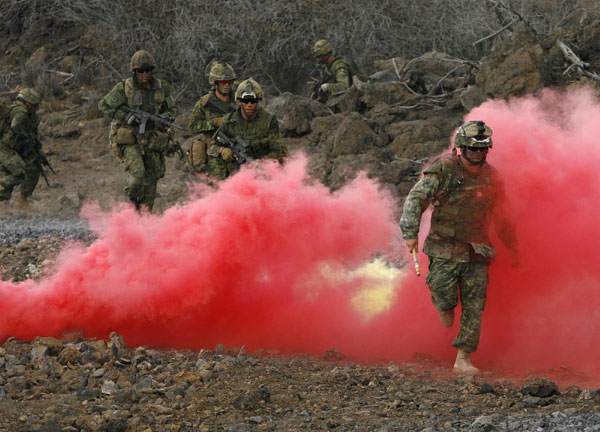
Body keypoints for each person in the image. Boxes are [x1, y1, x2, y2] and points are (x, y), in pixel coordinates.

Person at [399, 120, 519, 375]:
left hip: (478, 250)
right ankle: (444, 305)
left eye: (483, 150)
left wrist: (513, 247)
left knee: (475, 303)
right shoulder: (444, 169)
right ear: (461, 148)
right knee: (443, 292)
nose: (479, 154)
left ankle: (463, 358)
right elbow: (417, 198)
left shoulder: (491, 177)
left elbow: (502, 215)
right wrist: (410, 233)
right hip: (444, 247)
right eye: (473, 149)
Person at [98, 50, 180, 212]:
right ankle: (132, 204)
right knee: (137, 177)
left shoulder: (162, 88)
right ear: (134, 71)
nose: (144, 74)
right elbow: (104, 105)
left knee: (152, 179)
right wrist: (126, 116)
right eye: (140, 71)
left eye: (147, 70)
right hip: (131, 139)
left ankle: (144, 220)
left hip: (152, 139)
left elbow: (172, 109)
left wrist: (165, 117)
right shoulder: (125, 88)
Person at [206, 78, 287, 180]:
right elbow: (211, 146)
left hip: (262, 165)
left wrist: (263, 161)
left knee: (282, 161)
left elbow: (277, 149)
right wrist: (222, 150)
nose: (249, 104)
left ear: (258, 101)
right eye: (245, 100)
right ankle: (218, 188)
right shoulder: (229, 120)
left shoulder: (269, 120)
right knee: (215, 162)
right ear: (240, 101)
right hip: (235, 168)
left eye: (253, 101)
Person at [0, 88, 45, 210]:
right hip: (5, 147)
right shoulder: (20, 111)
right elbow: (16, 126)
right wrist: (24, 136)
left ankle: (22, 200)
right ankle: (2, 190)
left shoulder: (32, 116)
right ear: (28, 103)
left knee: (34, 167)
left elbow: (34, 133)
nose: (37, 107)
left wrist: (37, 148)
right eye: (35, 105)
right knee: (19, 172)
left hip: (19, 147)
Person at [188, 62, 237, 172]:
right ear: (215, 83)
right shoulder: (204, 103)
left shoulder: (238, 101)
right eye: (224, 82)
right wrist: (214, 122)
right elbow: (192, 127)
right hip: (213, 155)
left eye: (230, 82)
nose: (227, 85)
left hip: (235, 152)